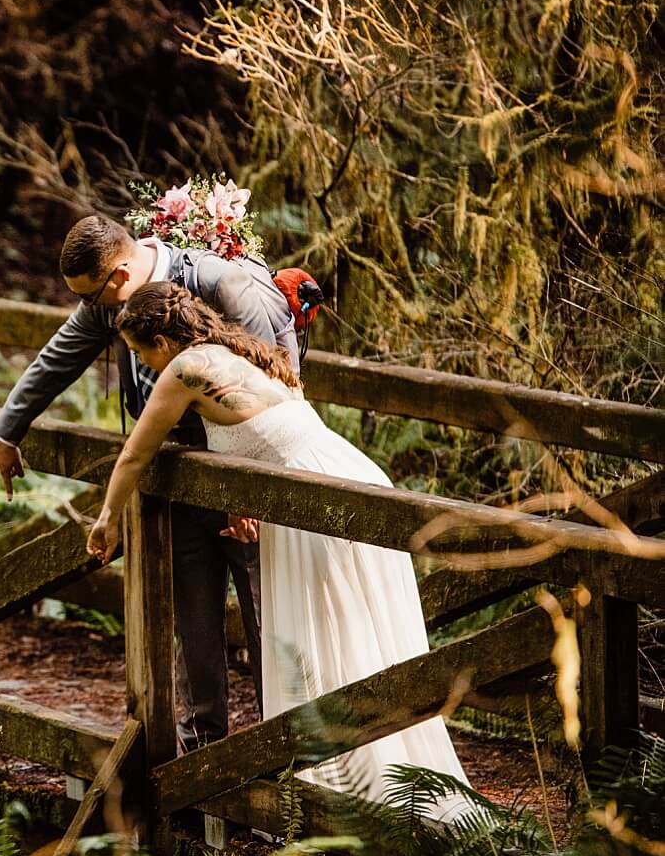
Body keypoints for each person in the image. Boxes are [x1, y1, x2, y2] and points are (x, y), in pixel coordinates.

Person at [85, 281, 474, 816]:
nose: (142, 364)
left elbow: (135, 454)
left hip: (313, 499)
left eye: (139, 353)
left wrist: (107, 518)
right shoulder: (237, 350)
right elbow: (258, 441)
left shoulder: (184, 371)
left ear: (159, 341)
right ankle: (359, 770)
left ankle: (338, 784)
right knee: (349, 628)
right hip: (344, 478)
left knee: (315, 632)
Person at [0, 214, 298, 751]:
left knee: (269, 621)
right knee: (193, 622)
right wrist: (6, 429)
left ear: (119, 275)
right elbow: (55, 361)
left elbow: (279, 383)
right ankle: (201, 755)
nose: (91, 311)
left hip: (249, 483)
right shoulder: (105, 304)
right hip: (174, 483)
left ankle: (285, 756)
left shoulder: (218, 282)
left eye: (92, 296)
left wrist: (250, 490)